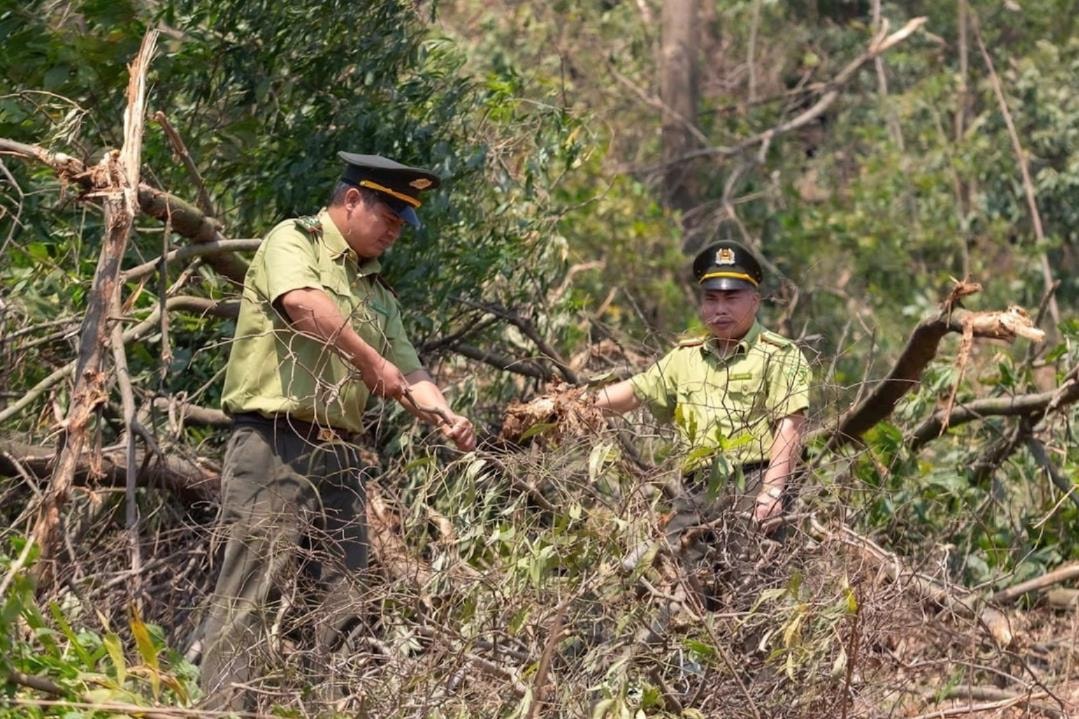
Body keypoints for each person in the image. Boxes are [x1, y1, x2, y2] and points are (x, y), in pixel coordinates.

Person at [197, 152, 476, 708]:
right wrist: (369, 363)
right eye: (389, 218)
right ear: (352, 200)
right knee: (250, 593)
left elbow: (410, 369)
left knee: (344, 601)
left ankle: (335, 706)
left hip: (341, 455)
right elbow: (303, 305)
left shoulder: (377, 290)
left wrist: (444, 414)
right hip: (276, 441)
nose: (395, 232)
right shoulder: (292, 241)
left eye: (402, 224)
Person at [595, 240, 809, 596]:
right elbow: (636, 390)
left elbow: (790, 424)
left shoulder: (779, 355)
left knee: (749, 591)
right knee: (678, 585)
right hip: (697, 489)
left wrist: (772, 491)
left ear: (754, 301)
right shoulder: (687, 356)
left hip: (752, 483)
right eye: (711, 298)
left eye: (731, 297)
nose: (720, 308)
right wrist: (576, 404)